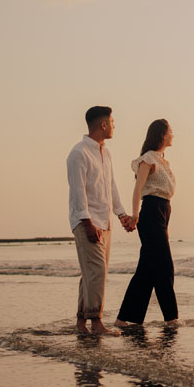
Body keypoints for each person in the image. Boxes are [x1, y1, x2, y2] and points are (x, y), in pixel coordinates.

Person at [67, 105, 134, 336]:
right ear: (103, 125)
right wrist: (87, 223)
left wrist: (122, 214)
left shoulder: (106, 153)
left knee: (92, 273)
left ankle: (81, 323)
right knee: (97, 271)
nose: (115, 126)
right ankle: (96, 323)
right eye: (113, 122)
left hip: (105, 222)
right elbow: (78, 192)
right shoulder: (79, 153)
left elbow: (111, 186)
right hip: (87, 222)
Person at [114, 119, 179, 327]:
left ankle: (124, 319)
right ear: (161, 134)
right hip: (150, 214)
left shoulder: (163, 162)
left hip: (162, 213)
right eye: (170, 132)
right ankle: (171, 318)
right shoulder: (148, 159)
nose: (173, 135)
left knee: (147, 270)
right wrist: (135, 216)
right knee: (164, 266)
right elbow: (138, 189)